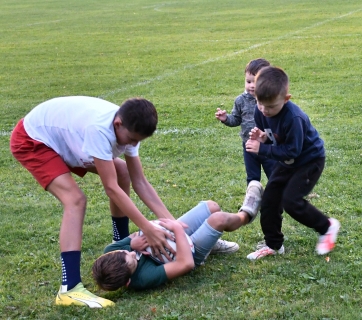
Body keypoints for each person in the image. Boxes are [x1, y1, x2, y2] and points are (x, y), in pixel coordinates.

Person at [10, 96, 181, 307]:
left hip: (64, 139)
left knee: (122, 172)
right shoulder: (100, 130)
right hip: (34, 140)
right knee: (75, 200)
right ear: (118, 124)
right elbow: (112, 189)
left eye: (138, 141)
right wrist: (147, 228)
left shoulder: (128, 126)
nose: (133, 144)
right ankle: (69, 289)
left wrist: (174, 224)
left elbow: (140, 182)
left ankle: (120, 240)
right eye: (131, 139)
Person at [92, 181, 263, 291]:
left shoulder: (113, 250)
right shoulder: (143, 279)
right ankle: (246, 214)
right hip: (188, 253)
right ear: (128, 281)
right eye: (132, 262)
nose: (130, 253)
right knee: (218, 219)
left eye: (125, 252)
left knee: (212, 207)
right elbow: (186, 264)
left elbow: (134, 236)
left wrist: (133, 243)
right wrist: (177, 228)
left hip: (169, 235)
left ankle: (211, 243)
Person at [244, 66, 341, 260]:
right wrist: (264, 138)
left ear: (286, 99)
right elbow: (275, 138)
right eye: (260, 104)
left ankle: (327, 227)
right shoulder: (260, 110)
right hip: (288, 161)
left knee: (291, 200)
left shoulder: (294, 117)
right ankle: (273, 244)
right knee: (270, 199)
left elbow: (293, 150)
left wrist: (262, 149)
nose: (265, 110)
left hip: (309, 161)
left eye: (271, 107)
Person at [215, 58, 276, 185]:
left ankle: (277, 199)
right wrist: (226, 119)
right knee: (252, 177)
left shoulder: (271, 101)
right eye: (248, 81)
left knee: (274, 175)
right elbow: (236, 119)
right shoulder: (240, 101)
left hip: (267, 146)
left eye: (256, 82)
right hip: (248, 145)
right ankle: (253, 200)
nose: (252, 85)